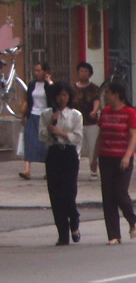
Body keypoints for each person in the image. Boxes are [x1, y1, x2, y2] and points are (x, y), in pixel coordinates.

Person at [38, 82, 84, 245]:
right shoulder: (47, 114)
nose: (62, 98)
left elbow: (77, 137)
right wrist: (51, 124)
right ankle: (62, 233)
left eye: (65, 95)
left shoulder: (75, 115)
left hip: (69, 154)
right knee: (55, 194)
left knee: (68, 193)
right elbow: (42, 136)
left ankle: (74, 220)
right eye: (59, 95)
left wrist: (61, 133)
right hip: (54, 154)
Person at [95, 79, 136, 245]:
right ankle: (113, 234)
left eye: (107, 93)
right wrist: (94, 158)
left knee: (120, 192)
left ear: (116, 95)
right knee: (108, 196)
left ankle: (132, 219)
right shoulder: (105, 112)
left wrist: (127, 156)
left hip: (122, 158)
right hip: (106, 157)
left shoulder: (129, 112)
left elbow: (133, 136)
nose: (105, 96)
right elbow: (100, 136)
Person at [20, 61, 54, 180]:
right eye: (35, 70)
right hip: (33, 115)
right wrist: (24, 115)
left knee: (45, 144)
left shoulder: (48, 85)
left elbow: (53, 96)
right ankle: (27, 169)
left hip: (45, 116)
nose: (37, 73)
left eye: (39, 70)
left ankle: (48, 169)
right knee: (29, 141)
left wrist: (49, 82)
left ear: (45, 71)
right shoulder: (32, 84)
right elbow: (29, 100)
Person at [71, 61, 102, 179]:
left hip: (91, 122)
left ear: (90, 74)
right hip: (76, 122)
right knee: (75, 147)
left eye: (86, 71)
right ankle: (73, 169)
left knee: (93, 147)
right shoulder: (73, 88)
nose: (83, 73)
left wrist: (94, 111)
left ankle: (93, 169)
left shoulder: (94, 88)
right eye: (81, 71)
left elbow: (97, 100)